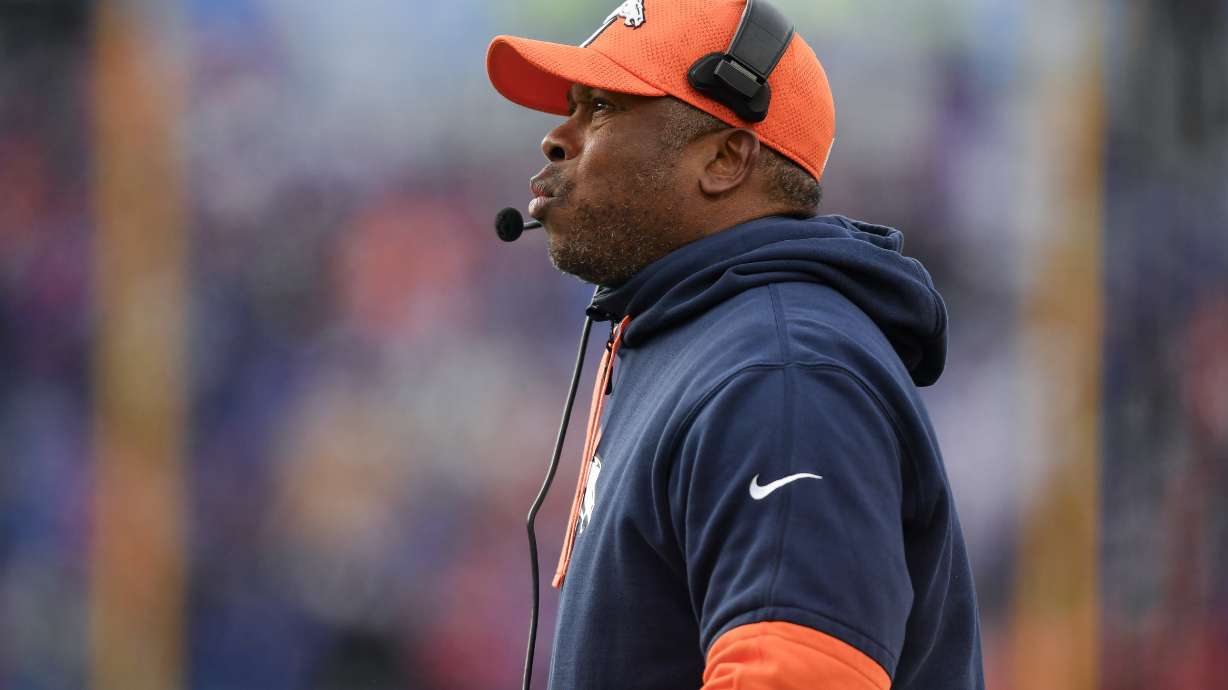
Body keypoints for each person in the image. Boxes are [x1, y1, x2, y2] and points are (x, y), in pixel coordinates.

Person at [486, 1, 984, 688]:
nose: (556, 138)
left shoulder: (782, 376)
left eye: (600, 108)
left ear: (725, 158)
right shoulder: (700, 340)